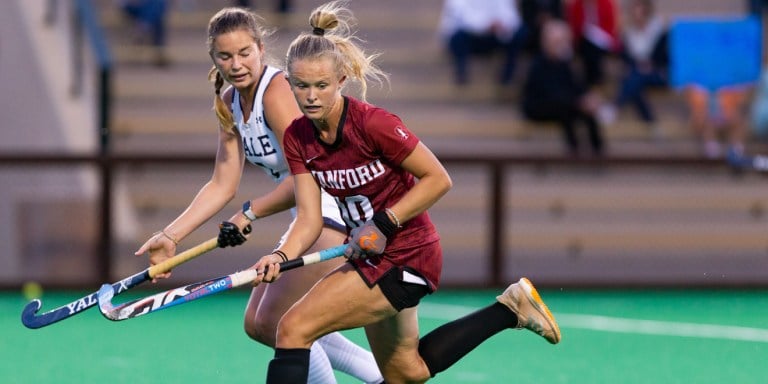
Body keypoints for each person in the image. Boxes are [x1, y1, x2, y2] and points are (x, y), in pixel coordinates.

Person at [249, 2, 562, 383]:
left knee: (292, 328)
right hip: (370, 257)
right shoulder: (298, 136)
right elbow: (310, 218)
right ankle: (510, 309)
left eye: (321, 85)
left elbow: (438, 178)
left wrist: (382, 223)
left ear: (341, 80)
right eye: (300, 86)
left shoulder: (373, 124)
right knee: (404, 373)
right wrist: (282, 254)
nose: (311, 96)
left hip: (409, 255)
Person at [133, 7, 383, 384]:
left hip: (330, 210)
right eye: (225, 56)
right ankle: (384, 377)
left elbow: (309, 175)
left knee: (275, 324)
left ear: (261, 49)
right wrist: (171, 236)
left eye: (244, 53)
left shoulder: (277, 91)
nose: (236, 64)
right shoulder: (231, 101)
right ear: (213, 58)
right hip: (307, 212)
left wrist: (250, 213)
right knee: (258, 323)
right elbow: (222, 183)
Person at [520, 19, 606, 156]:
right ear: (546, 42)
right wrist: (578, 102)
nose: (560, 45)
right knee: (566, 108)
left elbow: (576, 87)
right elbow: (549, 92)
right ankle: (573, 150)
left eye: (563, 41)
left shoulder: (565, 64)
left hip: (565, 104)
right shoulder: (538, 65)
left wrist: (588, 98)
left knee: (586, 112)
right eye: (556, 41)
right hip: (538, 106)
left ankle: (598, 150)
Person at [611, 0, 669, 137]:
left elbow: (665, 58)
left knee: (634, 79)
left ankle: (615, 106)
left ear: (646, 13)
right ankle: (652, 124)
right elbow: (625, 58)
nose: (637, 17)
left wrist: (651, 65)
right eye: (634, 13)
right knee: (636, 83)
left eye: (641, 13)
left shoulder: (660, 33)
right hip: (637, 74)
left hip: (658, 74)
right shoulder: (628, 34)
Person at [437, 0, 524, 85]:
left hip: (494, 36)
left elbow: (512, 17)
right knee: (458, 37)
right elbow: (462, 18)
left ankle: (507, 77)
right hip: (470, 37)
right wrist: (486, 25)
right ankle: (461, 74)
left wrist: (501, 25)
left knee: (520, 33)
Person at [565, 0, 621, 87]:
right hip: (583, 43)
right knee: (589, 48)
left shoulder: (606, 3)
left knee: (592, 50)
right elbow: (574, 28)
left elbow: (610, 26)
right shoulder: (576, 5)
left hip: (603, 40)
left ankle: (592, 81)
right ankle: (595, 81)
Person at [118, 0, 170, 67]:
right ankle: (159, 52)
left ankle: (141, 29)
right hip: (131, 6)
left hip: (148, 6)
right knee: (157, 9)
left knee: (157, 7)